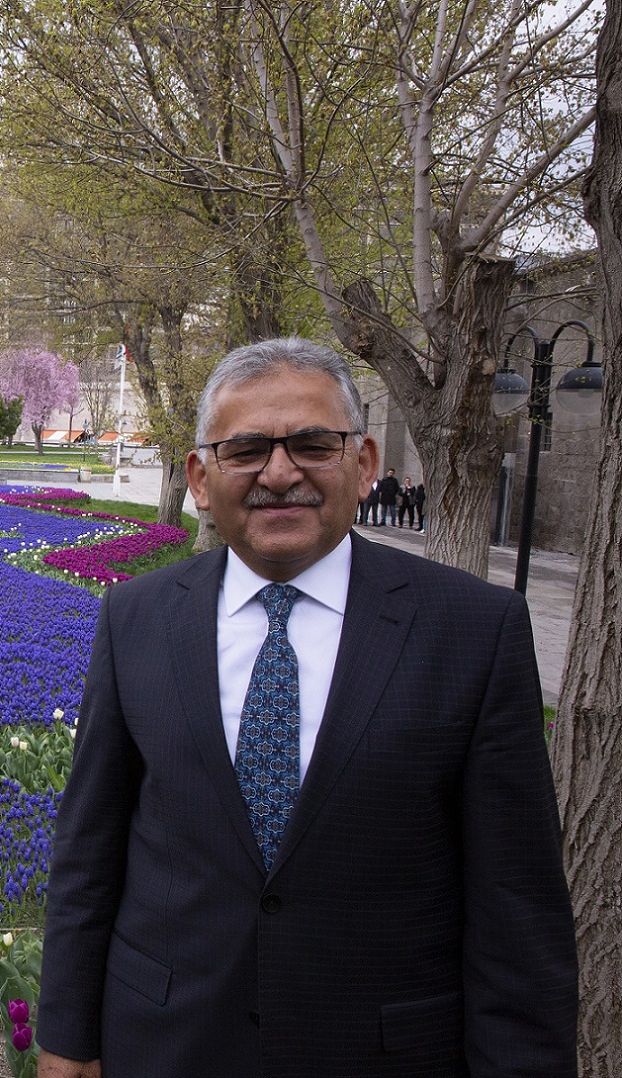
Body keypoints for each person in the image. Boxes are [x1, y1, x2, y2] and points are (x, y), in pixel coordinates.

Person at [38, 337, 576, 1078]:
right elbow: (88, 855)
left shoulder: (473, 630)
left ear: (362, 465)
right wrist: (66, 1042)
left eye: (312, 444)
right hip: (166, 1044)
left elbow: (516, 905)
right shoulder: (137, 617)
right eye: (247, 448)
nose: (279, 472)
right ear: (200, 476)